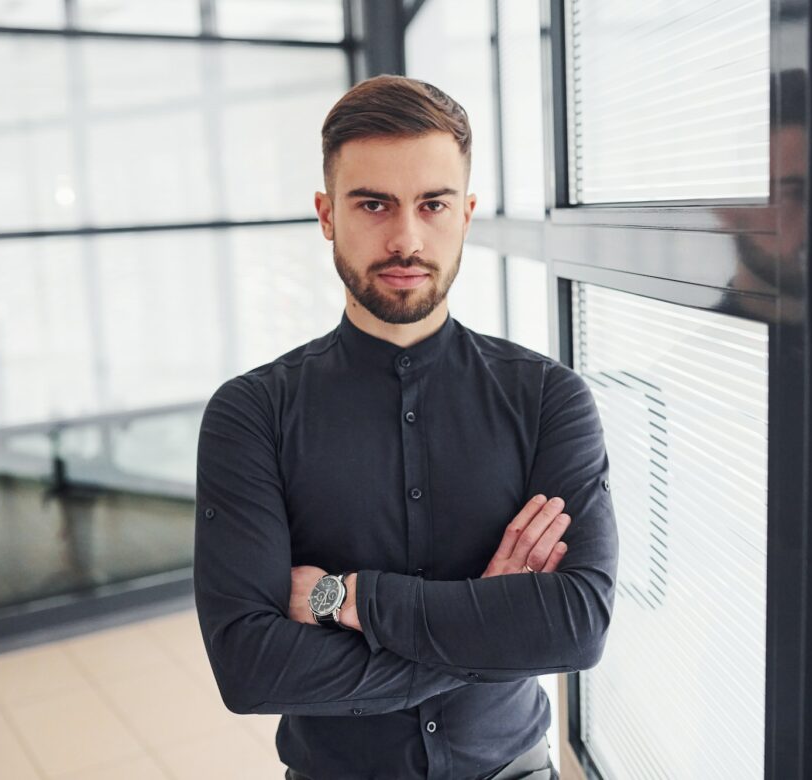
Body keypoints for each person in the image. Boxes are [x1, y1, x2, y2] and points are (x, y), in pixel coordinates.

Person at [192, 75, 618, 780]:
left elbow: (575, 626)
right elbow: (250, 668)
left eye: (433, 204)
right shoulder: (251, 414)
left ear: (467, 213)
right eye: (373, 204)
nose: (405, 238)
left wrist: (343, 598)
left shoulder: (549, 399)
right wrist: (487, 627)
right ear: (328, 214)